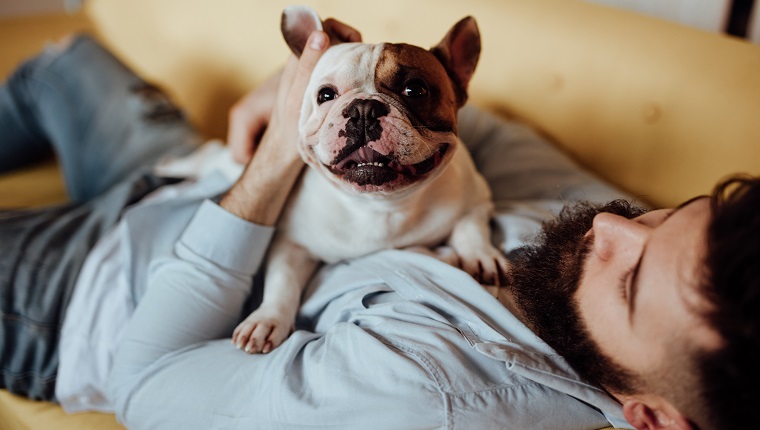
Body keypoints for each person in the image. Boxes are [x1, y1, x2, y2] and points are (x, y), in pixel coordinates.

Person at [0, 22, 756, 430]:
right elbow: (461, 116)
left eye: (627, 280)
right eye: (667, 215)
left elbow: (145, 383)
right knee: (63, 62)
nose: (610, 230)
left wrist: (273, 160)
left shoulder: (426, 392)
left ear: (652, 418)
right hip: (185, 170)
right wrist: (301, 95)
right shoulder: (606, 225)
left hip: (85, 293)